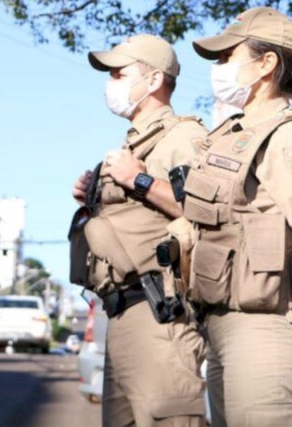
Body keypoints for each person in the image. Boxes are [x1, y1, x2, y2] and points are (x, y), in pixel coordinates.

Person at [184, 7, 292, 426]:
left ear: (266, 64)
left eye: (228, 57)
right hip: (225, 326)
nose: (220, 68)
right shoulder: (235, 134)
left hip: (269, 331)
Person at [71, 33, 208, 427]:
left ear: (153, 81)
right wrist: (91, 198)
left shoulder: (183, 137)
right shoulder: (134, 143)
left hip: (160, 315)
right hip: (121, 315)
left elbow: (203, 209)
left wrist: (139, 181)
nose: (110, 83)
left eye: (119, 73)